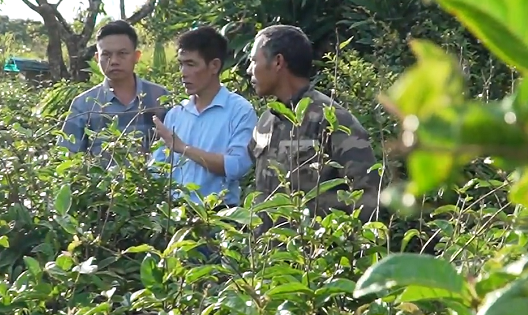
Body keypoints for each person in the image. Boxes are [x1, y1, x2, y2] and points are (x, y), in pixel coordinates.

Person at [247, 24, 380, 231]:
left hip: (313, 248)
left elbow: (367, 198)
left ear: (278, 62)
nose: (249, 70)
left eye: (255, 60)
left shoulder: (333, 120)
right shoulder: (266, 121)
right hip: (266, 249)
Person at [151, 26, 257, 207]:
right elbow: (156, 169)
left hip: (219, 213)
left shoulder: (240, 111)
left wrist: (184, 148)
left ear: (214, 65)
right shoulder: (176, 113)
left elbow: (236, 166)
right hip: (175, 213)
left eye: (191, 64)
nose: (183, 72)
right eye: (181, 64)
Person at [58, 20, 169, 158]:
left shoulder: (160, 97)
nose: (114, 61)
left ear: (136, 56)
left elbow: (177, 150)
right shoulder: (84, 105)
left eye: (122, 53)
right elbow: (67, 157)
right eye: (106, 55)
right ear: (97, 58)